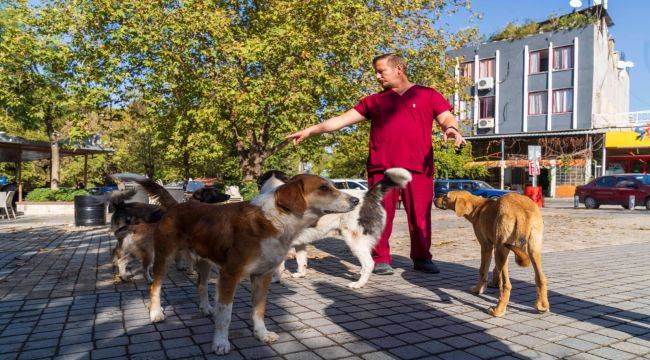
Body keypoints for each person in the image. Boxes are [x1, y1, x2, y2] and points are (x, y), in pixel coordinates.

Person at [288, 53, 466, 275]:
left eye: (381, 71)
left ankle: (422, 257)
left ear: (398, 69)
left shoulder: (427, 94)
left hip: (418, 168)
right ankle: (380, 258)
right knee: (379, 214)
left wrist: (451, 129)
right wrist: (310, 130)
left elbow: (446, 117)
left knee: (420, 215)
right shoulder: (373, 101)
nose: (377, 76)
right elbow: (340, 121)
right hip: (382, 168)